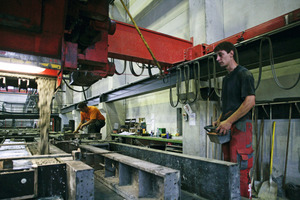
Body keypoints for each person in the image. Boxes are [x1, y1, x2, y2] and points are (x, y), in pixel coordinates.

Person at [213, 41, 255, 198]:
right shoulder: (226, 79)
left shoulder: (244, 74)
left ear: (231, 53)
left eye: (220, 55)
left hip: (242, 128)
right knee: (228, 166)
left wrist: (229, 121)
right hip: (228, 128)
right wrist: (219, 120)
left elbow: (249, 102)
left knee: (241, 169)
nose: (217, 59)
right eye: (216, 56)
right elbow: (227, 106)